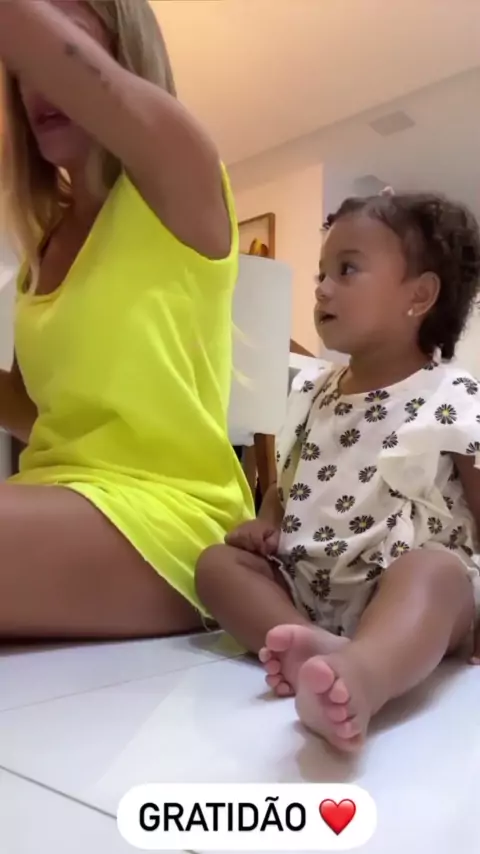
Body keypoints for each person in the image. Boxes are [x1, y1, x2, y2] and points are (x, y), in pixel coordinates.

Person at [0, 0, 252, 639]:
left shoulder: (180, 170)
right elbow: (42, 414)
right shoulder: (44, 246)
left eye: (61, 42)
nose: (35, 83)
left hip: (170, 514)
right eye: (19, 72)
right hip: (58, 492)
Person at [196, 191, 480, 751]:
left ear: (419, 296)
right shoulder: (310, 392)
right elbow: (288, 485)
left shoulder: (452, 397)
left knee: (434, 574)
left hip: (406, 595)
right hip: (308, 588)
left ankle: (366, 675)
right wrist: (266, 524)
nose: (322, 288)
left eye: (346, 270)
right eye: (321, 274)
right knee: (216, 566)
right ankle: (312, 645)